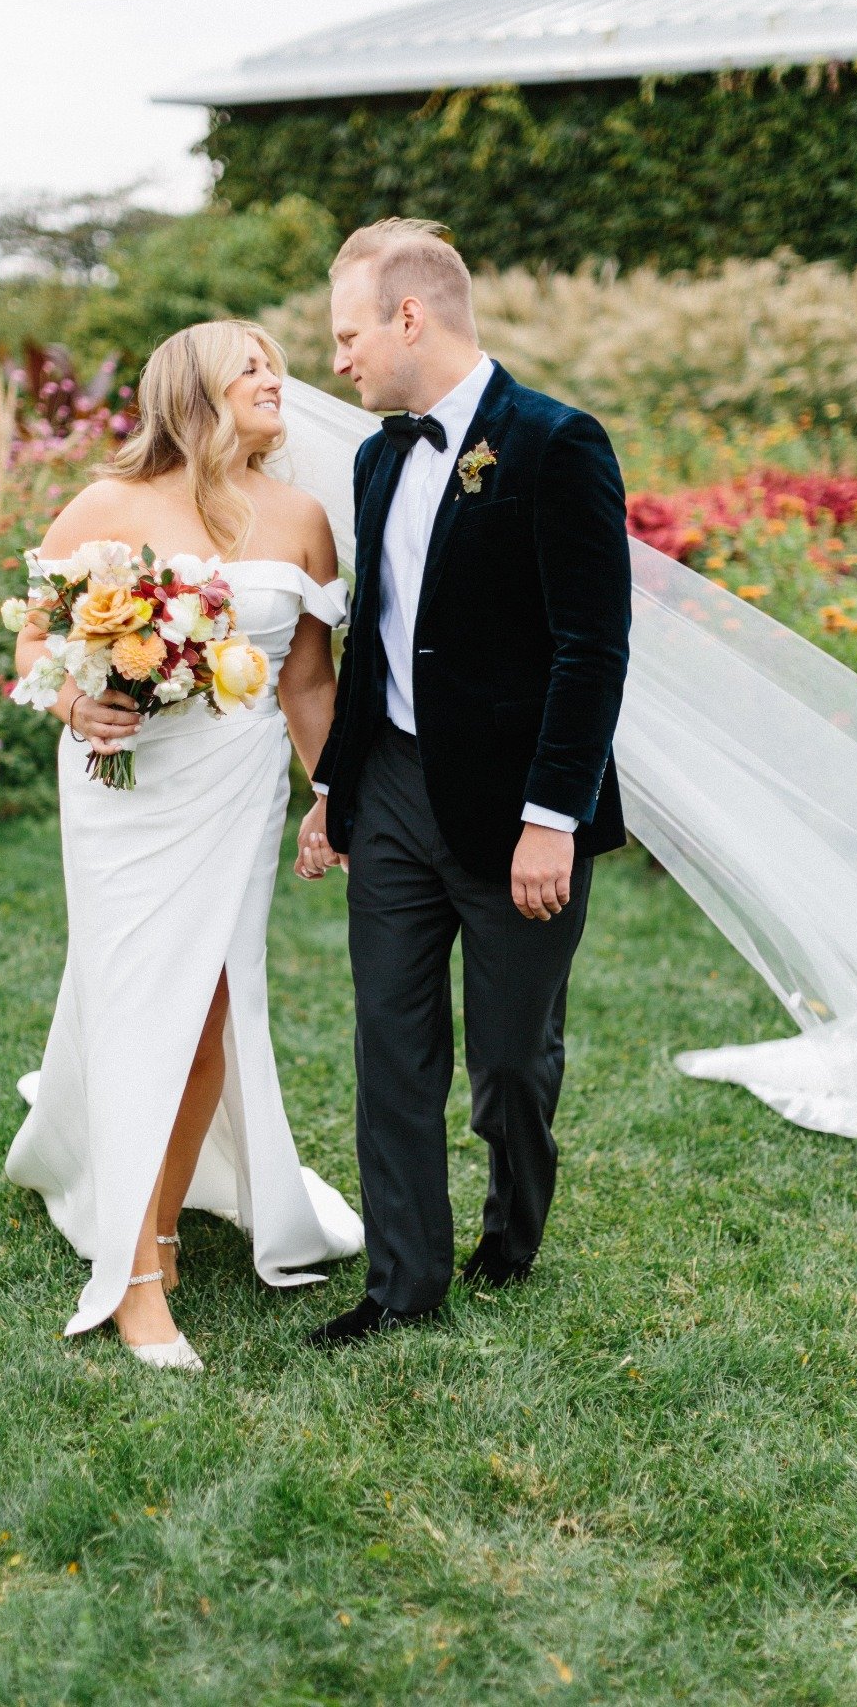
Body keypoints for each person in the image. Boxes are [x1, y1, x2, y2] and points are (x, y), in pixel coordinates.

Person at [295, 219, 632, 1345]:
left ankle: (514, 1229)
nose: (336, 360)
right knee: (390, 1044)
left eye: (347, 334)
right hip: (389, 786)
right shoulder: (377, 454)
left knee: (507, 1063)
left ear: (409, 316)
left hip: (519, 807)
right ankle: (402, 1284)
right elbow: (379, 646)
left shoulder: (557, 442)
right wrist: (334, 786)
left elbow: (593, 648)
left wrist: (554, 822)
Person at [6, 320, 364, 1371]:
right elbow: (35, 634)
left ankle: (152, 1240)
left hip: (236, 788)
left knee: (208, 1007)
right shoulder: (106, 506)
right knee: (130, 998)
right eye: (246, 367)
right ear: (190, 393)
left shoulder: (302, 518)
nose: (273, 379)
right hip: (124, 789)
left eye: (274, 366)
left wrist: (332, 794)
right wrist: (76, 703)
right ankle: (135, 1278)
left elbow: (304, 682)